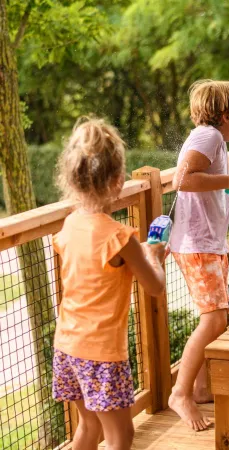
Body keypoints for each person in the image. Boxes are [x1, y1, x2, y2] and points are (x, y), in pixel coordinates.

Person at [52, 118, 167, 450]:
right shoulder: (119, 236)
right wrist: (155, 255)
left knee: (88, 427)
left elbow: (94, 268)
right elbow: (155, 286)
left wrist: (139, 255)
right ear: (118, 181)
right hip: (102, 355)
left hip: (68, 346)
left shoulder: (70, 224)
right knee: (121, 437)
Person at [167, 80, 229, 431]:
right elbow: (182, 180)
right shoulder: (209, 136)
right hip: (196, 243)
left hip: (206, 243)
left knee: (214, 316)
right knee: (215, 319)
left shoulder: (211, 139)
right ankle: (180, 392)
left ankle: (200, 388)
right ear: (225, 114)